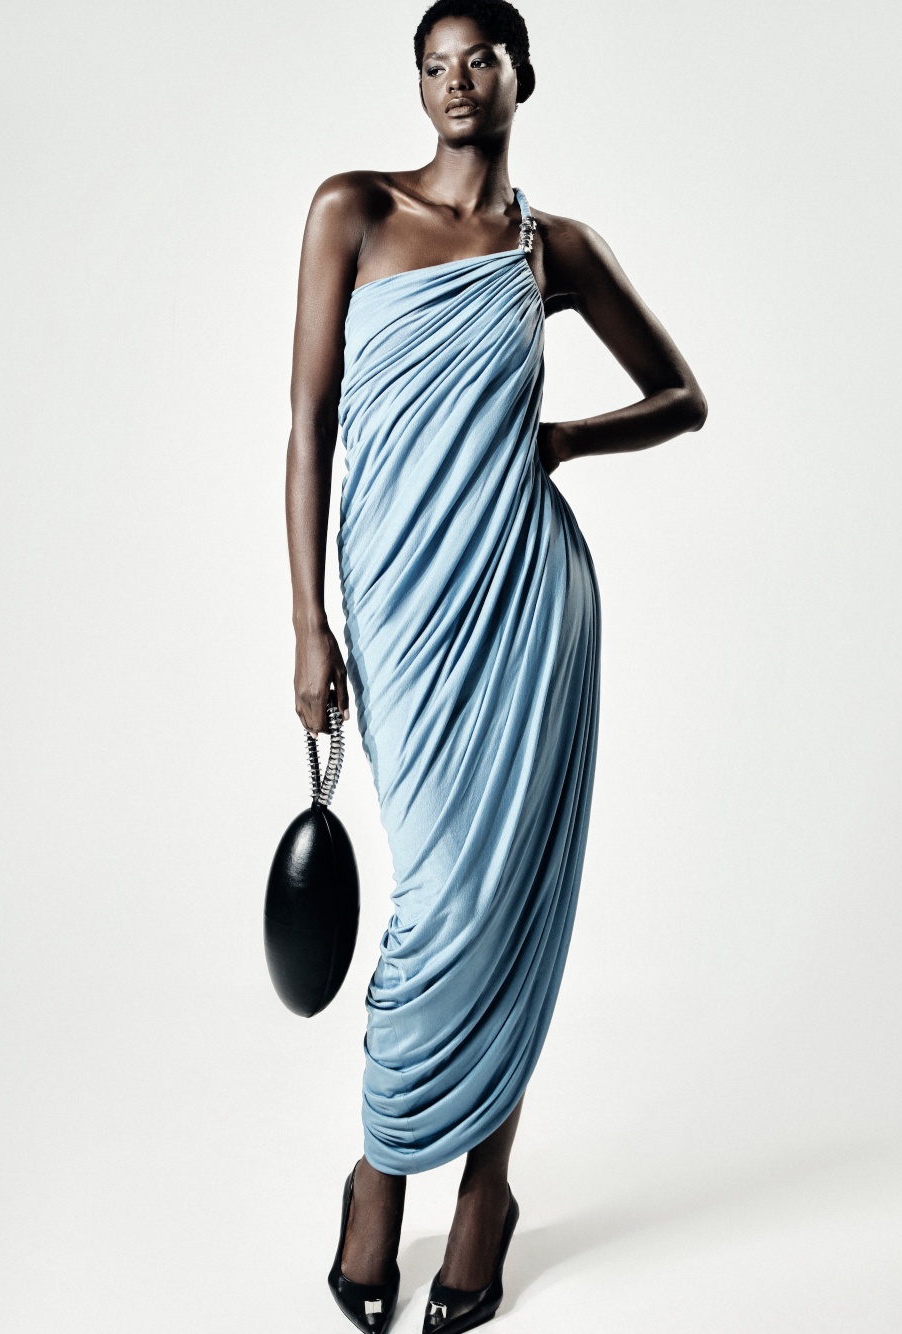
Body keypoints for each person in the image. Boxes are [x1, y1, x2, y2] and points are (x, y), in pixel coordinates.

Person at [285, 1, 707, 1329]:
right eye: (435, 65)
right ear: (416, 87)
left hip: (529, 599)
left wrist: (564, 441)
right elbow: (307, 423)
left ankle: (484, 1193)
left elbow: (683, 396)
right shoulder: (352, 210)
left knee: (505, 899)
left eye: (481, 60)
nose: (458, 81)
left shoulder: (552, 248)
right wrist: (308, 624)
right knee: (437, 897)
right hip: (397, 601)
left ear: (525, 76)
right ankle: (381, 1167)